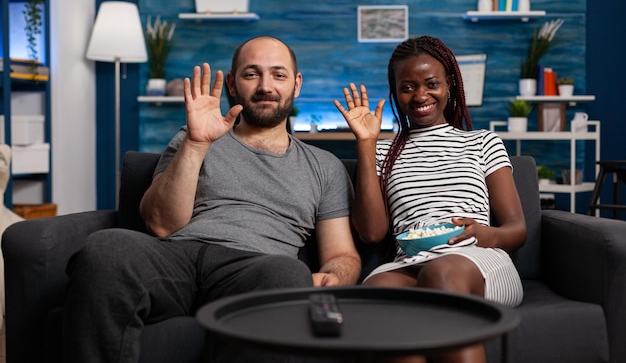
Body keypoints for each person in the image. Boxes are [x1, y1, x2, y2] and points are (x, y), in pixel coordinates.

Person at [62, 36, 361, 363]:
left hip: (254, 267)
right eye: (251, 74)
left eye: (278, 74)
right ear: (232, 84)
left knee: (287, 274)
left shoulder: (324, 166)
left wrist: (333, 277)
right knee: (107, 246)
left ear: (296, 84)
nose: (265, 86)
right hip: (175, 257)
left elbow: (342, 254)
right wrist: (195, 143)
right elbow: (161, 225)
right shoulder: (193, 135)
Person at [334, 35, 526, 363]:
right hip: (409, 264)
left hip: (476, 260)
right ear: (395, 92)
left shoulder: (483, 143)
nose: (420, 95)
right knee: (375, 297)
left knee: (441, 273)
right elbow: (372, 233)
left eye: (431, 83)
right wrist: (366, 144)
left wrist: (483, 233)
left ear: (449, 84)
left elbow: (517, 229)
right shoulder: (383, 152)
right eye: (407, 87)